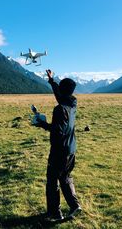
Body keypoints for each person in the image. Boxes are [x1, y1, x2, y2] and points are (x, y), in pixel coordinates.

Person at [35, 69, 82, 221]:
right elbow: (60, 97)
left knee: (52, 181)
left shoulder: (59, 109)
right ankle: (75, 206)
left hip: (59, 151)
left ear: (63, 90)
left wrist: (42, 124)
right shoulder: (72, 103)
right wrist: (52, 81)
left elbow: (57, 130)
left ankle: (55, 213)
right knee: (65, 177)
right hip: (71, 150)